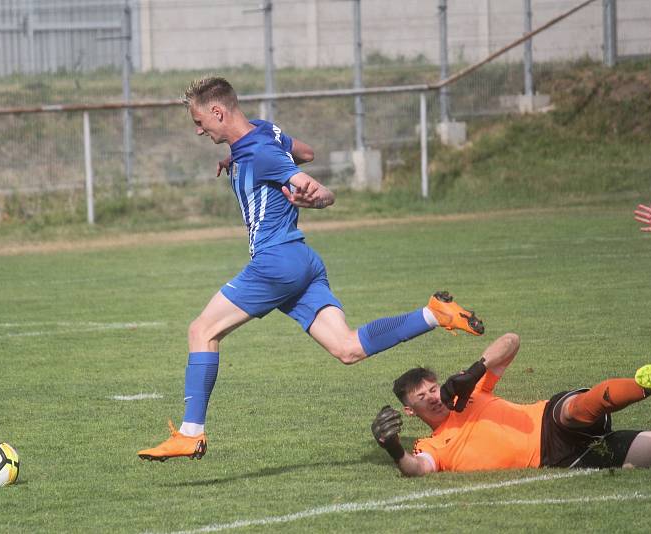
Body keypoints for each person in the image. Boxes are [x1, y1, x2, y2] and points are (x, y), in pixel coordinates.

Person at [137, 76, 485, 461]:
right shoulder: (263, 133)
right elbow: (306, 151)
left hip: (276, 263)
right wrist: (238, 160)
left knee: (202, 330)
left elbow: (312, 184)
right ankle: (434, 314)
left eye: (200, 121)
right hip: (302, 261)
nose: (198, 129)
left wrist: (313, 196)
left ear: (218, 112)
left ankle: (191, 433)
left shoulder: (259, 153)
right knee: (347, 348)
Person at [371, 332, 651, 476]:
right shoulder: (430, 445)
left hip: (550, 420)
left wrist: (475, 371)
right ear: (409, 410)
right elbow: (416, 468)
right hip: (562, 458)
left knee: (575, 409)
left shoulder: (468, 391)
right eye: (422, 397)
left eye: (433, 389)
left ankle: (647, 385)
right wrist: (394, 447)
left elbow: (511, 341)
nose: (433, 398)